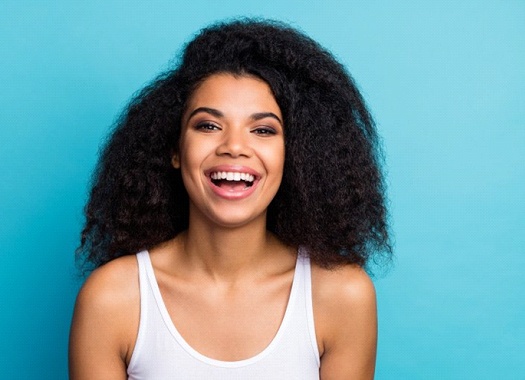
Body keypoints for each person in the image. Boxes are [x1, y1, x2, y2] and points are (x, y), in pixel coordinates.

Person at [69, 18, 391, 379]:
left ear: (295, 154)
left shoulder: (341, 296)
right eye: (208, 125)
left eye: (263, 130)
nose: (235, 146)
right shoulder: (112, 300)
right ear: (175, 149)